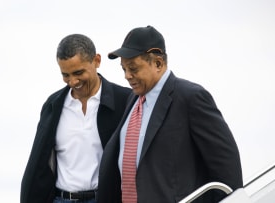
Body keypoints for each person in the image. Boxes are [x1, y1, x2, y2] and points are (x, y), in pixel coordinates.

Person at [97, 25, 243, 203]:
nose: (127, 76)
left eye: (133, 69)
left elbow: (227, 167)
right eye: (124, 69)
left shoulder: (191, 97)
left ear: (158, 63)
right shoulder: (134, 100)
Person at [20, 33, 132, 203]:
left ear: (97, 61)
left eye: (78, 72)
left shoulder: (125, 100)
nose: (72, 81)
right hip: (60, 199)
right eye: (65, 75)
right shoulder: (53, 105)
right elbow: (38, 164)